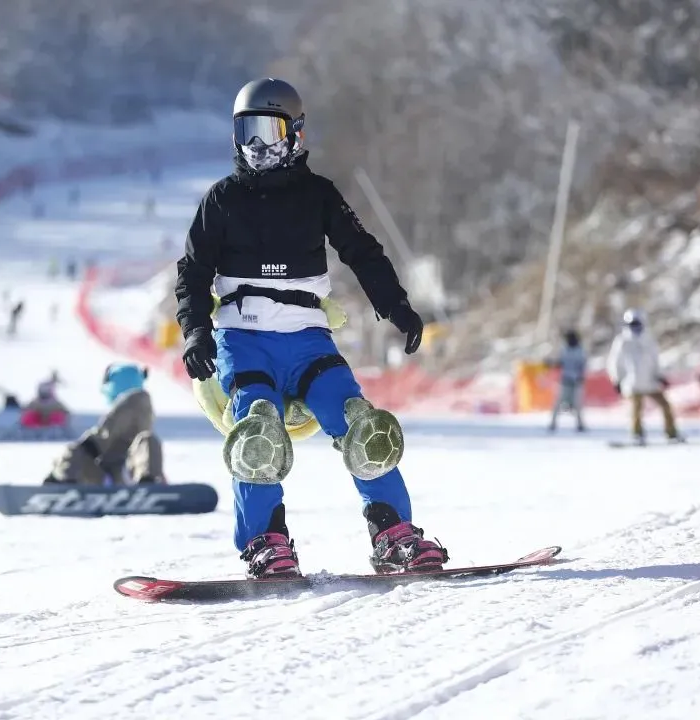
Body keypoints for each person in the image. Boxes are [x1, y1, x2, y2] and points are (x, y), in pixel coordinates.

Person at [174, 77, 446, 579]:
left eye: (267, 130)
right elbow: (191, 272)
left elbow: (362, 252)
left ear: (294, 133)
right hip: (245, 340)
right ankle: (265, 542)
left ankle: (394, 534)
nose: (255, 145)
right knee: (258, 431)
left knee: (362, 425)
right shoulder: (222, 200)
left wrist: (397, 307)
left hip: (306, 341)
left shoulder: (317, 195)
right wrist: (196, 332)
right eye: (245, 131)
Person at [43, 362, 165, 486]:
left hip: (125, 471)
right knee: (74, 451)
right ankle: (149, 484)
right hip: (114, 473)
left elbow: (104, 436)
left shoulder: (136, 402)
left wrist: (89, 445)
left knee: (146, 441)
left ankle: (59, 487)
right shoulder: (137, 406)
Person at [607, 308, 683, 445]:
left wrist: (660, 376)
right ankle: (637, 434)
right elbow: (614, 362)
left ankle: (671, 432)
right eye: (633, 324)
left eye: (637, 324)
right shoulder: (622, 341)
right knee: (636, 409)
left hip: (649, 382)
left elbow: (655, 361)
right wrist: (616, 380)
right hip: (632, 383)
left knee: (665, 405)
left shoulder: (648, 340)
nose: (635, 327)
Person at [547, 329, 587, 433]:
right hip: (565, 380)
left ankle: (580, 424)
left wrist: (581, 375)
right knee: (557, 403)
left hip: (576, 381)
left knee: (577, 404)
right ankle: (553, 423)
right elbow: (560, 362)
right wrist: (551, 363)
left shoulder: (580, 350)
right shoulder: (564, 349)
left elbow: (583, 365)